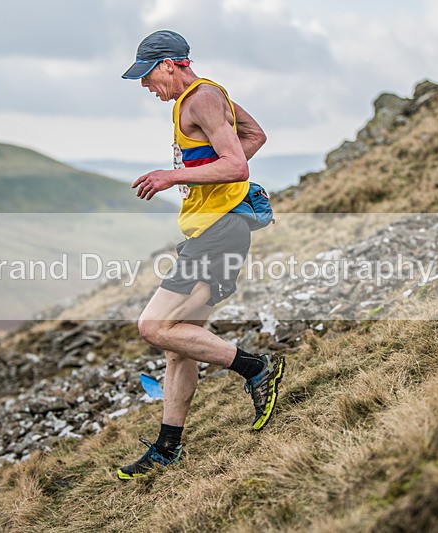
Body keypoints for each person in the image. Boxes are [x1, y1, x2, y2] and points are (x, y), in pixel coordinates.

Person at [115, 30, 286, 480]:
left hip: (219, 231)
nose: (145, 86)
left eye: (147, 75)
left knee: (153, 326)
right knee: (178, 342)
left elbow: (237, 164)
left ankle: (255, 366)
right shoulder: (201, 98)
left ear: (171, 64)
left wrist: (175, 176)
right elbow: (254, 135)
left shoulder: (201, 97)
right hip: (212, 229)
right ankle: (167, 448)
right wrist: (202, 172)